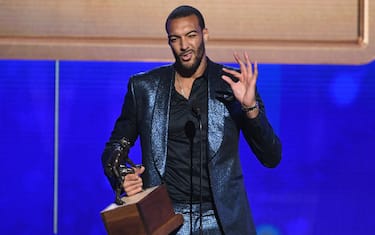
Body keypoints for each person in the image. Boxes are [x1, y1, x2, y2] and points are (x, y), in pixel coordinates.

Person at [102, 5, 281, 235]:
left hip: (222, 222)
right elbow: (114, 147)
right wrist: (122, 177)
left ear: (205, 35)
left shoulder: (233, 85)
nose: (184, 46)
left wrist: (250, 107)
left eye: (191, 36)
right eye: (175, 39)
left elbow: (272, 156)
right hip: (165, 220)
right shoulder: (144, 88)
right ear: (169, 42)